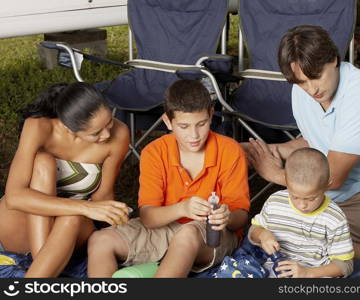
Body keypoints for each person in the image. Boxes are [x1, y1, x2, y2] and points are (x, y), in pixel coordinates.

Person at [244, 25, 360, 278]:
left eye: (316, 76)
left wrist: (275, 174)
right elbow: (315, 142)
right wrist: (269, 150)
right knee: (283, 235)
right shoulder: (301, 93)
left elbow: (333, 176)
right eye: (302, 82)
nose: (311, 89)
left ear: (334, 60)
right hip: (336, 209)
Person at [87, 79, 250, 278]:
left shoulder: (229, 150)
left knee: (187, 234)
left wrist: (227, 216)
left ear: (210, 114)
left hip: (211, 235)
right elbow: (148, 217)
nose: (194, 135)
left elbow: (241, 217)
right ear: (167, 122)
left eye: (202, 124)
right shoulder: (154, 152)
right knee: (100, 240)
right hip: (164, 228)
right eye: (183, 126)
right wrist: (182, 208)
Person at [0, 82, 130, 278]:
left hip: (71, 228)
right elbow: (14, 197)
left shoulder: (119, 134)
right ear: (68, 127)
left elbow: (103, 195)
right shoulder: (38, 127)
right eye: (96, 133)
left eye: (109, 122)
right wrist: (82, 207)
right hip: (22, 224)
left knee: (71, 217)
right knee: (43, 162)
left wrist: (115, 220)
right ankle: (44, 269)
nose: (107, 134)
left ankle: (37, 276)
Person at [249, 148, 354, 278]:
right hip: (273, 270)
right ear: (286, 182)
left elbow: (345, 266)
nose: (302, 205)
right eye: (295, 197)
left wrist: (307, 273)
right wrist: (263, 235)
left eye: (311, 199)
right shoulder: (275, 202)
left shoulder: (335, 219)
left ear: (327, 185)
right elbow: (253, 231)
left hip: (315, 273)